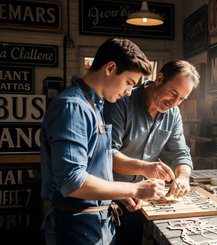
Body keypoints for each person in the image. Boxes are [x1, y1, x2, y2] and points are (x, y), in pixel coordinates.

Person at [40, 38, 176, 244]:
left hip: (98, 223)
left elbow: (94, 165)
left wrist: (117, 194)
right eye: (129, 82)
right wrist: (135, 189)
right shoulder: (73, 107)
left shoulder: (95, 105)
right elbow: (71, 180)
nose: (130, 91)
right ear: (110, 68)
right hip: (76, 228)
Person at [104, 59, 200, 244]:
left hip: (138, 201)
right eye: (173, 93)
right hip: (108, 196)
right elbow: (106, 154)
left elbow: (181, 153)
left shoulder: (173, 114)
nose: (174, 103)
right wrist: (145, 168)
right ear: (159, 79)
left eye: (181, 99)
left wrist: (182, 178)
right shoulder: (121, 101)